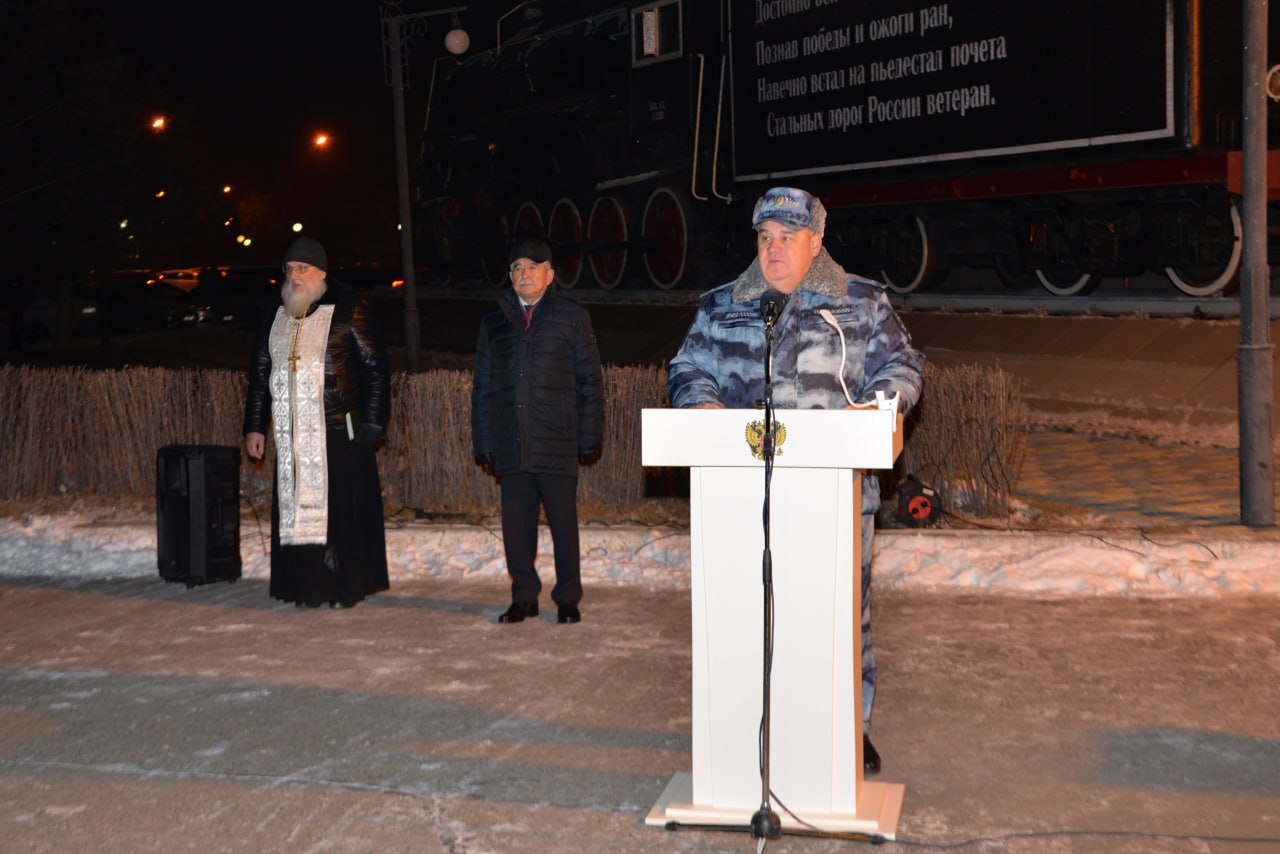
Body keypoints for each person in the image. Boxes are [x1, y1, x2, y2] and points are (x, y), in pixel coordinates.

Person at [665, 187, 925, 774]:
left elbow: (905, 364)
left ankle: (849, 727)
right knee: (750, 615)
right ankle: (750, 726)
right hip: (742, 500)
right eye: (765, 238)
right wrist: (702, 407)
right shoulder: (723, 305)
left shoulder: (861, 303)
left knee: (842, 616)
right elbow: (685, 367)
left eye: (787, 238)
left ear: (816, 244)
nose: (774, 250)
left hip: (835, 499)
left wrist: (879, 407)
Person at [243, 236, 392, 609]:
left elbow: (375, 368)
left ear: (321, 273)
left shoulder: (348, 310)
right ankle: (307, 587)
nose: (294, 275)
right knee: (296, 513)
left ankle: (344, 586)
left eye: (302, 268)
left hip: (338, 430)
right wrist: (255, 425)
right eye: (289, 268)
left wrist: (374, 422)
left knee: (341, 513)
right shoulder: (275, 314)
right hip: (291, 433)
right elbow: (261, 373)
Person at [471, 237, 604, 624]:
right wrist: (484, 438)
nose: (523, 274)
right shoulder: (494, 322)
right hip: (510, 439)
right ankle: (524, 596)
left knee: (563, 524)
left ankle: (567, 598)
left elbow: (589, 382)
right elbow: (483, 384)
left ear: (549, 274)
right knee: (516, 527)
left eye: (532, 267)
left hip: (557, 439)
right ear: (509, 276)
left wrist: (589, 434)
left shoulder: (572, 317)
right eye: (516, 268)